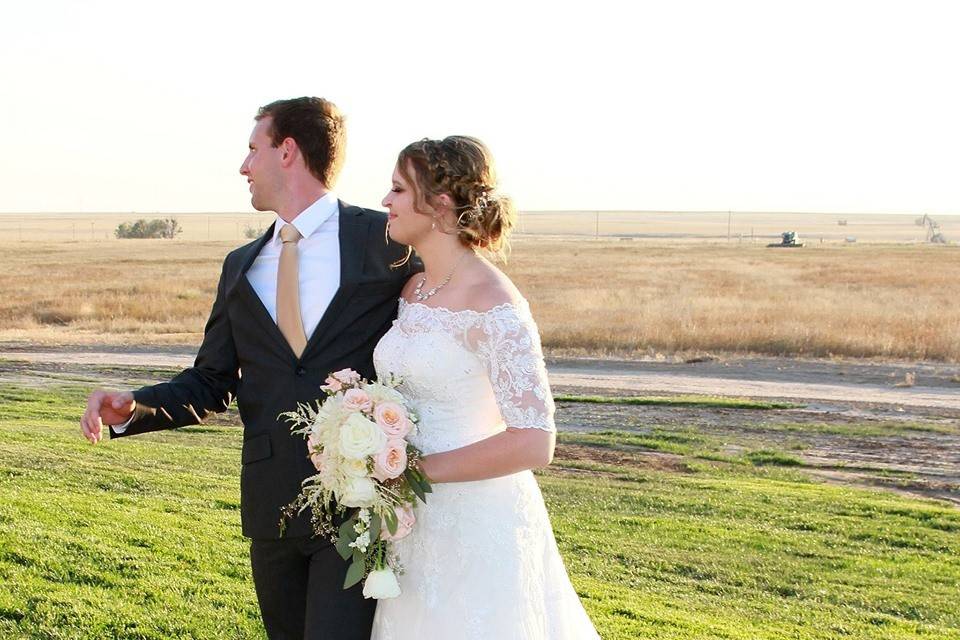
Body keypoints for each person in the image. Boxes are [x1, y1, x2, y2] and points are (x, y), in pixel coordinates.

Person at [79, 97, 416, 640]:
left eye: (252, 150)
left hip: (361, 503)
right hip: (271, 506)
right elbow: (211, 382)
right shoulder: (241, 266)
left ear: (288, 152)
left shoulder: (386, 243)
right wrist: (133, 406)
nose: (243, 166)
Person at [371, 136, 599, 638]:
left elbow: (535, 441)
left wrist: (413, 473)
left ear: (440, 205)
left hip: (475, 521)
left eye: (397, 189)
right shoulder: (413, 288)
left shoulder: (494, 303)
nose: (385, 201)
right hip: (412, 523)